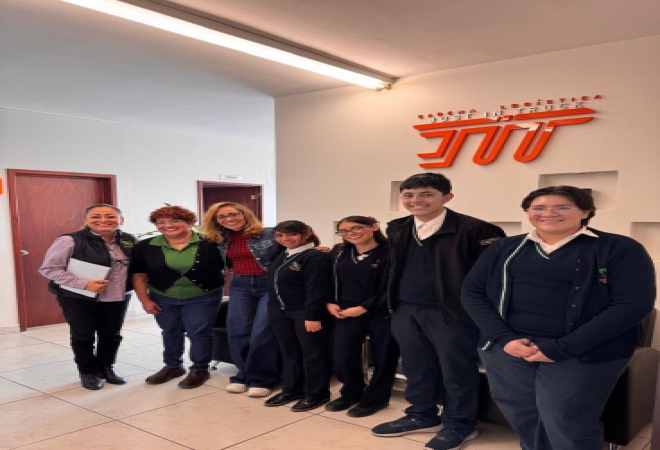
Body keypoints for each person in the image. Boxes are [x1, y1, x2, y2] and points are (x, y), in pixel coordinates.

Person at [462, 186, 655, 450]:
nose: (548, 213)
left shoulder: (619, 248)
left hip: (583, 351)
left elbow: (632, 304)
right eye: (538, 208)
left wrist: (563, 347)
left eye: (562, 207)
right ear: (528, 212)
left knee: (567, 420)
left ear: (586, 212)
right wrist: (503, 338)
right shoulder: (505, 248)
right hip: (509, 349)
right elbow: (472, 292)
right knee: (522, 413)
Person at [371, 173, 505, 450]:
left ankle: (460, 423)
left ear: (447, 197)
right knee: (415, 365)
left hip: (453, 313)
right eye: (408, 195)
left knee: (456, 369)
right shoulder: (398, 227)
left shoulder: (476, 230)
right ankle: (422, 414)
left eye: (426, 194)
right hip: (405, 308)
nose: (416, 200)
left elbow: (493, 277)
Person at [39, 204, 137, 390]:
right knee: (83, 335)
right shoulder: (69, 240)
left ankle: (106, 367)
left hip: (117, 296)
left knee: (111, 335)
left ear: (121, 220)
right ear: (85, 220)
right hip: (78, 297)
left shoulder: (130, 240)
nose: (103, 220)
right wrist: (84, 284)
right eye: (95, 216)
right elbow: (49, 269)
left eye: (110, 216)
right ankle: (87, 372)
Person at [132, 206, 224, 389]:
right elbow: (139, 275)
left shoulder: (211, 243)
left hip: (203, 296)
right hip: (163, 296)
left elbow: (228, 266)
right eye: (161, 222)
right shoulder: (145, 246)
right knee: (170, 331)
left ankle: (199, 369)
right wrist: (145, 300)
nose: (167, 225)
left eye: (175, 220)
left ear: (189, 222)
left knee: (198, 332)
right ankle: (173, 366)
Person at [202, 202, 283, 398]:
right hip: (240, 285)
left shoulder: (269, 233)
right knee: (238, 331)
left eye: (233, 214)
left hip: (269, 284)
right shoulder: (220, 239)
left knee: (262, 332)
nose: (229, 219)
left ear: (244, 213)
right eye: (222, 217)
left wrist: (317, 249)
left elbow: (297, 243)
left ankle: (262, 379)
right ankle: (243, 374)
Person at [325, 216, 399, 418]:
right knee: (342, 355)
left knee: (384, 356)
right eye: (344, 231)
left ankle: (376, 398)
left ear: (374, 227)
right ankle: (351, 392)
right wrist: (329, 302)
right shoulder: (339, 252)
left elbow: (395, 287)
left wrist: (364, 307)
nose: (351, 233)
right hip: (345, 311)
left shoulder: (391, 252)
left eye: (357, 228)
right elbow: (327, 279)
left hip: (382, 311)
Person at [264, 220, 333, 412]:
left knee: (313, 354)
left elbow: (316, 289)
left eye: (291, 234)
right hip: (279, 312)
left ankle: (316, 394)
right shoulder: (283, 254)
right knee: (289, 353)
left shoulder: (316, 257)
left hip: (305, 313)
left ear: (307, 233)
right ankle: (292, 389)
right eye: (280, 235)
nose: (285, 239)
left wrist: (313, 316)